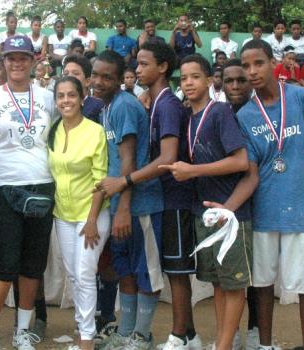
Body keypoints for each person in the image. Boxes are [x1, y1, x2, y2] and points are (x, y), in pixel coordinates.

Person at [238, 39, 304, 350]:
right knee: (262, 286)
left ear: (272, 62)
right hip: (265, 213)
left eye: (258, 63)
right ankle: (266, 346)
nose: (252, 71)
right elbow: (251, 172)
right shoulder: (246, 116)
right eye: (247, 65)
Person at [108, 41, 202, 350]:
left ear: (162, 67)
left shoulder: (168, 105)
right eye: (136, 64)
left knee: (169, 272)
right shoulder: (155, 102)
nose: (137, 69)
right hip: (159, 196)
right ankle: (182, 335)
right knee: (161, 270)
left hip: (172, 197)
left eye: (144, 64)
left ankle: (165, 335)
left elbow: (167, 158)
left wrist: (126, 180)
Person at [161, 53, 256, 350]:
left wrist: (192, 171)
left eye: (195, 77)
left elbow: (241, 162)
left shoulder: (221, 112)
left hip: (231, 214)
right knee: (218, 283)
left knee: (234, 284)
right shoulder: (189, 119)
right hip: (207, 214)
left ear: (209, 80)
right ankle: (222, 341)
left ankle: (225, 344)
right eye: (183, 78)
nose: (188, 83)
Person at [0, 35, 56, 350]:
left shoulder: (47, 97)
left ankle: (23, 332)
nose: (17, 63)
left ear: (33, 60)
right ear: (4, 62)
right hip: (2, 186)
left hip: (41, 184)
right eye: (11, 58)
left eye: (23, 57)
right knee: (6, 264)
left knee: (33, 264)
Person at [91, 49, 164, 350]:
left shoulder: (123, 106)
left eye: (107, 77)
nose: (99, 81)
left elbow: (129, 160)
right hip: (120, 204)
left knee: (145, 271)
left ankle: (142, 335)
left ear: (121, 79)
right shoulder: (104, 108)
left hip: (140, 205)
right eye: (95, 74)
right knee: (126, 269)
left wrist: (123, 208)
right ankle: (127, 330)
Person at [47, 76, 110, 350]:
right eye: (60, 96)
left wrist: (93, 220)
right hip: (63, 214)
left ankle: (87, 341)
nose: (65, 101)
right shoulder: (53, 130)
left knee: (85, 274)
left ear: (82, 97)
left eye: (71, 95)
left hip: (91, 215)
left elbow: (101, 178)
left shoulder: (95, 131)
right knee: (73, 274)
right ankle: (82, 330)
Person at [222, 58, 261, 350]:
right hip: (226, 205)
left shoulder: (259, 114)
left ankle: (256, 328)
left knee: (255, 274)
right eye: (228, 81)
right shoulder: (219, 114)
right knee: (230, 276)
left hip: (257, 202)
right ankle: (231, 333)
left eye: (241, 80)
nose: (235, 86)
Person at [62, 54, 104, 122]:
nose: (69, 77)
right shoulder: (59, 107)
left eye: (75, 73)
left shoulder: (99, 107)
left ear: (87, 81)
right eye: (66, 74)